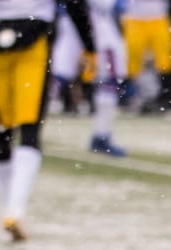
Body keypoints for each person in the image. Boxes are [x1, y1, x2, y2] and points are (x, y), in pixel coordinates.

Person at [0, 0, 95, 239]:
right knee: (29, 126)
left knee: (2, 128)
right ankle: (14, 211)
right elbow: (75, 4)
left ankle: (9, 209)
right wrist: (89, 44)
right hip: (34, 34)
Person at [51, 0, 128, 153]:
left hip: (79, 21)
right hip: (92, 25)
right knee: (109, 80)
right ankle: (101, 135)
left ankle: (24, 131)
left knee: (56, 76)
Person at [123, 0, 171, 110]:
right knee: (133, 61)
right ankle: (135, 96)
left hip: (159, 17)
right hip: (134, 18)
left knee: (164, 62)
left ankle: (163, 99)